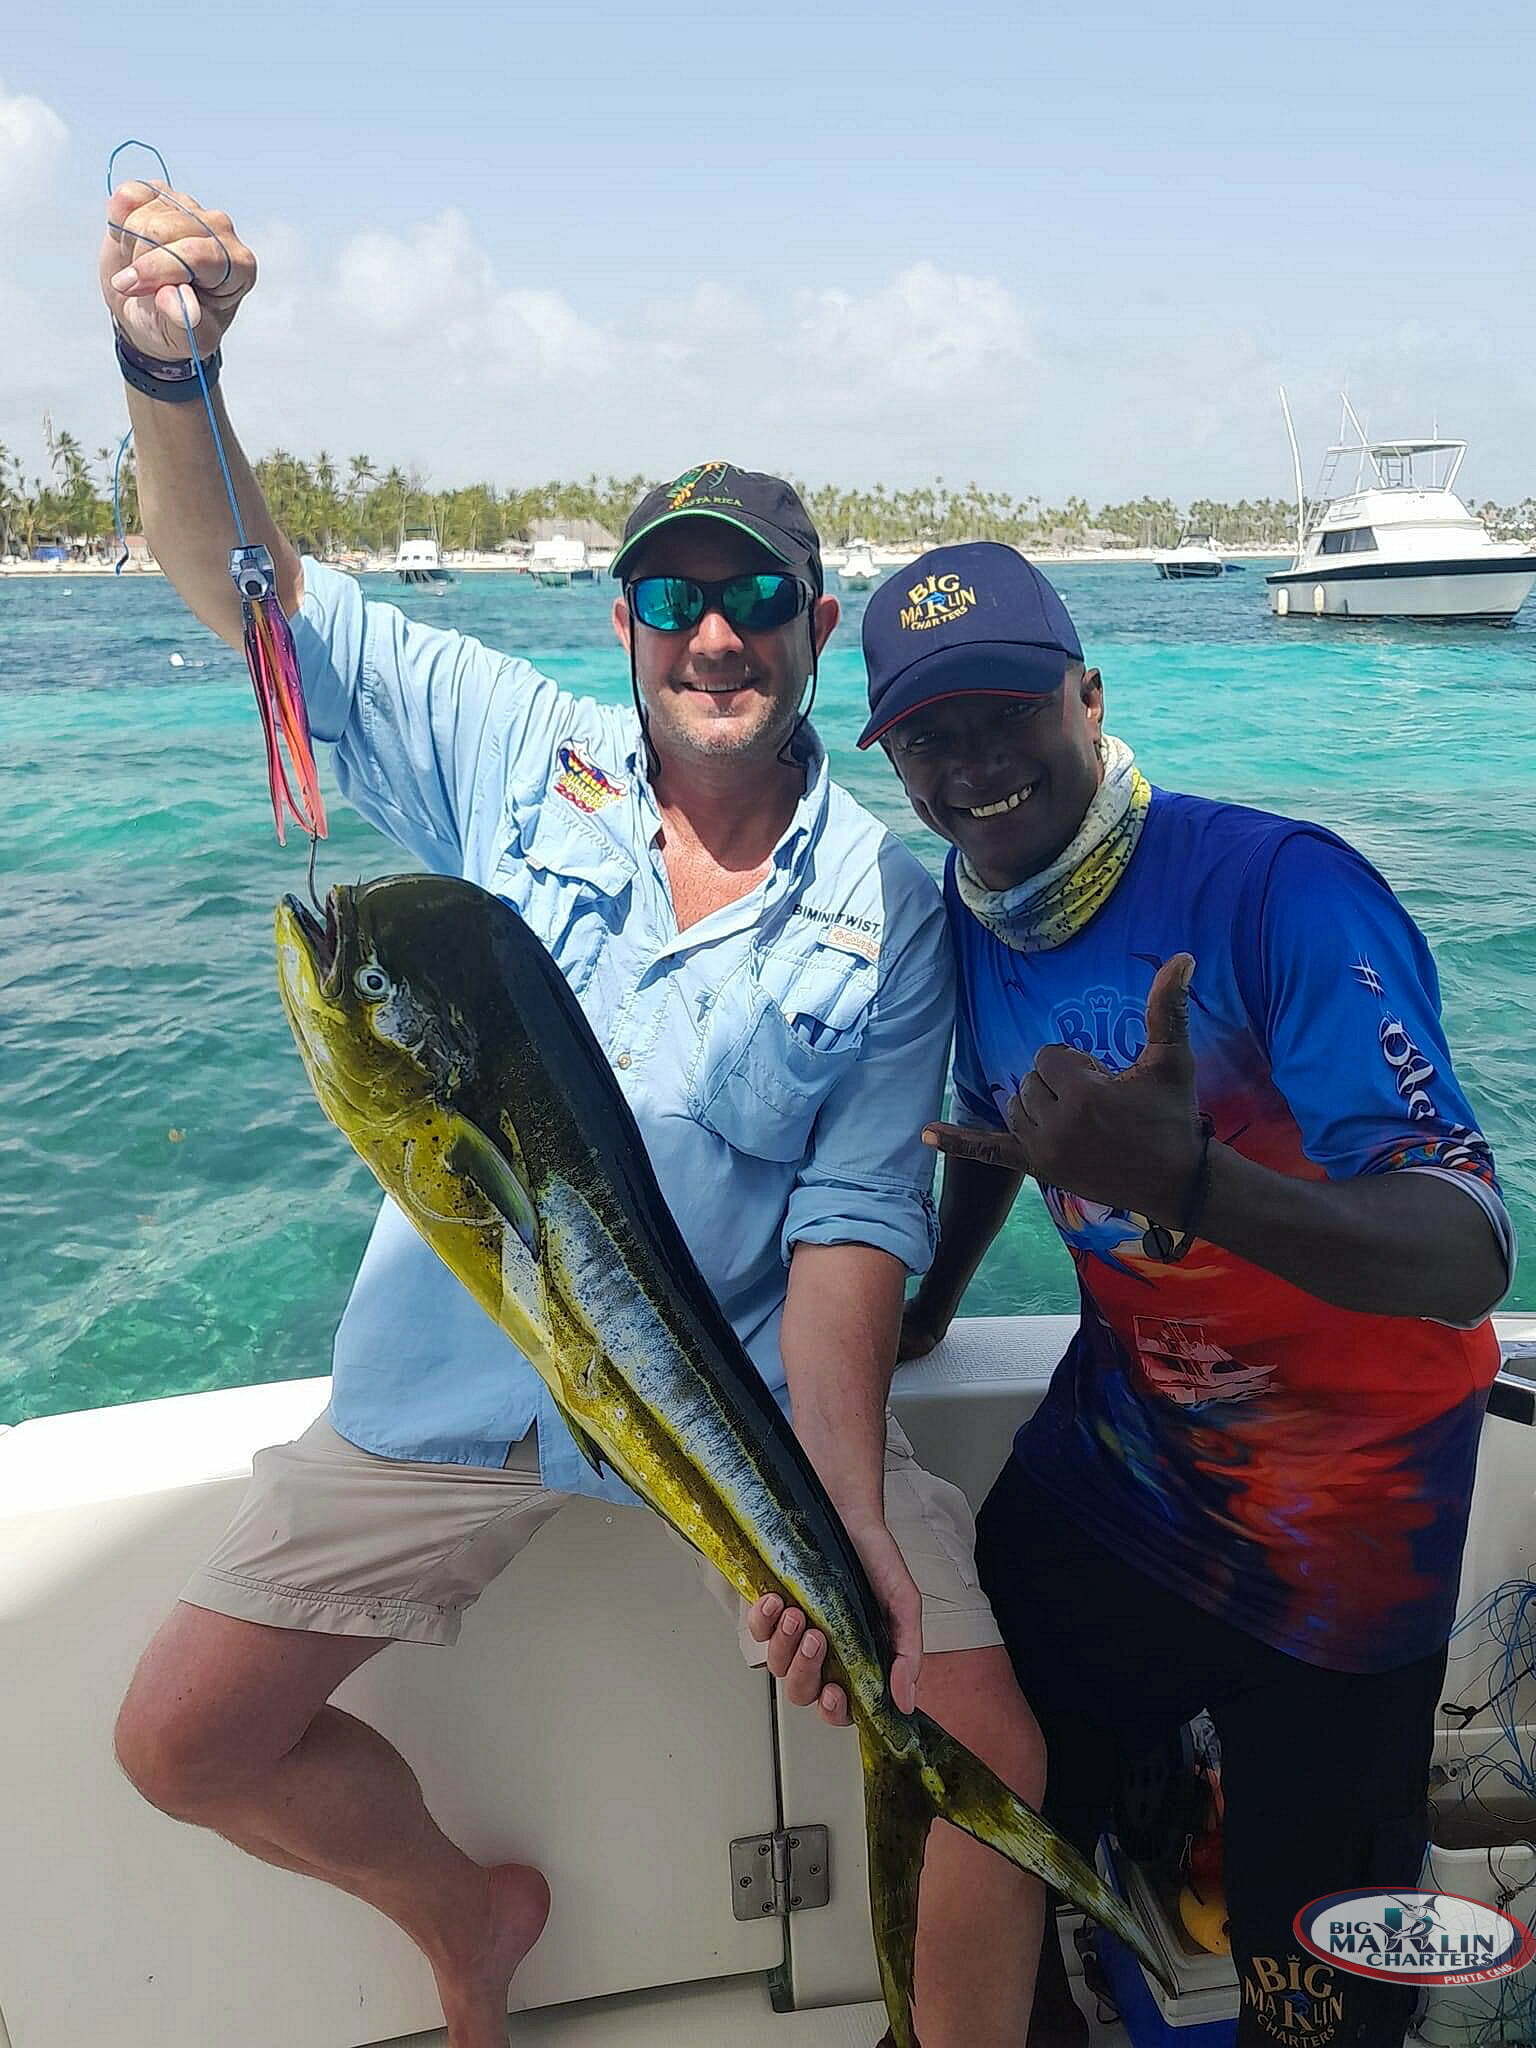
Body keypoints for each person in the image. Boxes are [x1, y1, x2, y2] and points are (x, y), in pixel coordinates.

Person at [99, 186, 1045, 2048]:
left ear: (816, 625)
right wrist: (166, 371)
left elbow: (857, 1227)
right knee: (181, 1741)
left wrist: (839, 1516)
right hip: (457, 1383)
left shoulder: (893, 910)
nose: (715, 635)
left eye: (755, 598)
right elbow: (246, 592)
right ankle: (467, 1913)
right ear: (624, 624)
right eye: (675, 600)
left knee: (984, 1750)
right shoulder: (514, 751)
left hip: (736, 1398)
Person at [842, 540, 1510, 2048]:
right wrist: (931, 1302)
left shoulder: (1282, 891)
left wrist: (1194, 1183)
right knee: (969, 1779)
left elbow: (1466, 1251)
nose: (974, 766)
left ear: (1089, 698)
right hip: (1121, 1475)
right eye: (930, 738)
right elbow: (1002, 1125)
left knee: (1314, 1991)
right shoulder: (972, 916)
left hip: (1347, 1530)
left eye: (1008, 713)